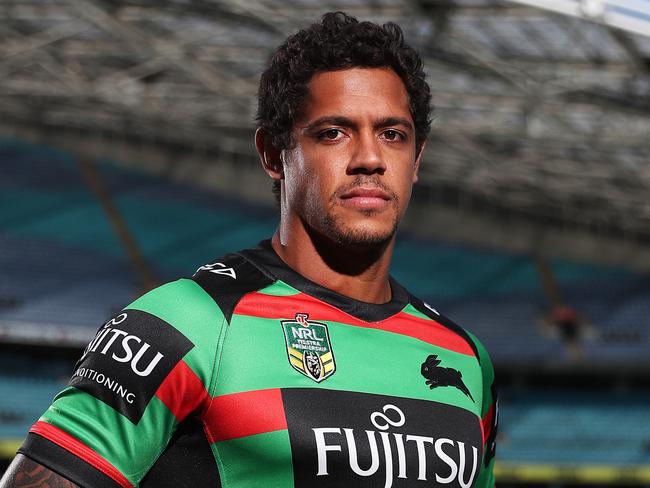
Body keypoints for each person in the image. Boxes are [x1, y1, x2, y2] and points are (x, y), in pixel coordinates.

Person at [1, 11, 497, 488]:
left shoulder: (466, 358)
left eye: (392, 134)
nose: (369, 158)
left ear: (416, 160)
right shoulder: (183, 324)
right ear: (272, 154)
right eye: (333, 132)